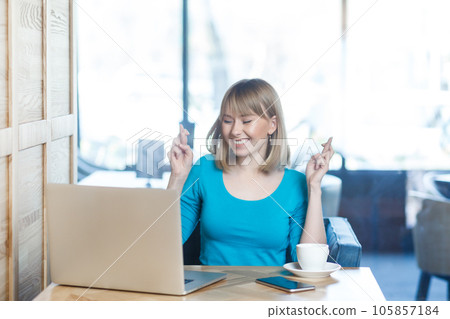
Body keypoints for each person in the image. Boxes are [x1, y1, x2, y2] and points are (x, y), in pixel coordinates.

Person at [167, 79, 334, 266]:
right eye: (228, 120)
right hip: (212, 293)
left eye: (246, 121)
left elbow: (311, 265)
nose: (235, 131)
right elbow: (164, 245)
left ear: (273, 125)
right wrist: (177, 177)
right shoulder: (204, 169)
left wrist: (314, 187)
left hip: (269, 292)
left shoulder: (295, 183)